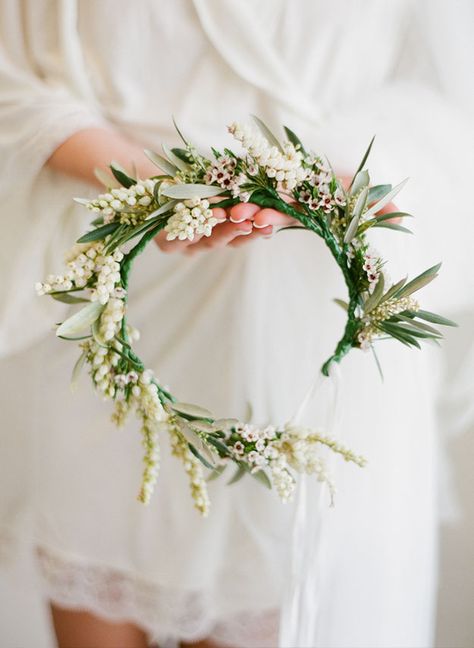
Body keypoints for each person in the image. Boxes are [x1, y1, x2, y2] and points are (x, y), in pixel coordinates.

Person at [0, 1, 472, 647]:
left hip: (299, 338)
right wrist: (146, 185)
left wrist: (330, 179)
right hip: (104, 314)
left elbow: (445, 97)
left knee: (268, 582)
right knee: (93, 566)